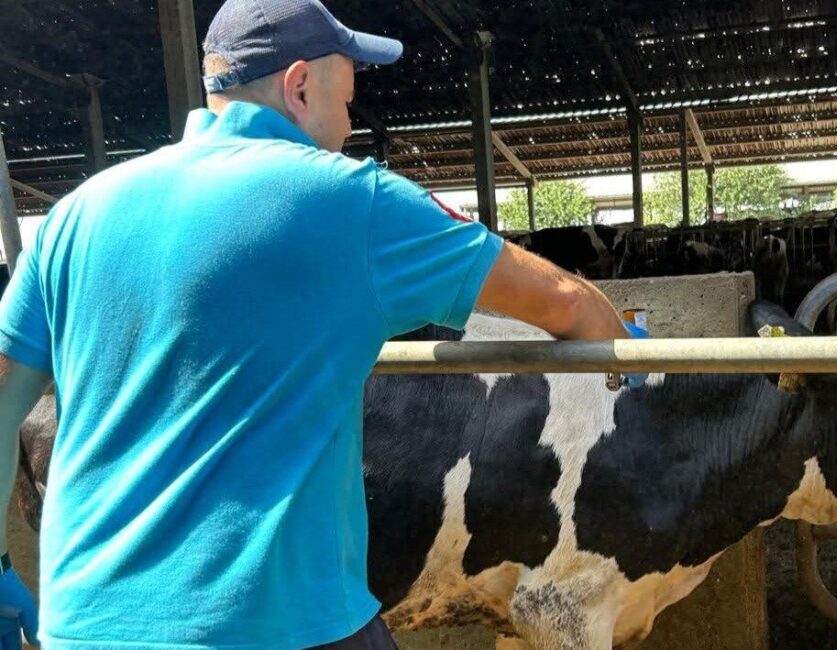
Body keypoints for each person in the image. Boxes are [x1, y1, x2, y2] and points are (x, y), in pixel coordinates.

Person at [0, 0, 640, 647]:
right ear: (300, 85)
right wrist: (635, 359)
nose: (347, 129)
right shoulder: (351, 201)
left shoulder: (73, 219)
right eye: (346, 104)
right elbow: (566, 302)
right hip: (275, 624)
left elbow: (3, 392)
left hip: (83, 624)